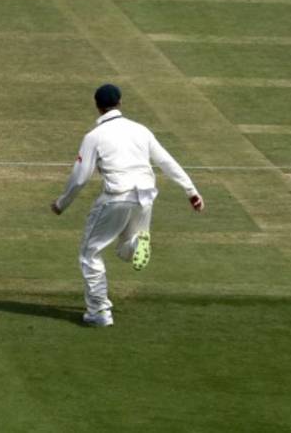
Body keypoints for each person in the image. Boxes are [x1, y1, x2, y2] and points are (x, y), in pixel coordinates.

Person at [51, 84, 206, 327]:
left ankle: (99, 312)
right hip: (145, 195)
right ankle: (135, 243)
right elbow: (166, 161)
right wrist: (190, 190)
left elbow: (81, 176)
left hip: (117, 197)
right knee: (124, 248)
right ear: (120, 103)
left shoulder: (94, 137)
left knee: (89, 253)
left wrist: (61, 203)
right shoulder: (140, 130)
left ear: (98, 106)